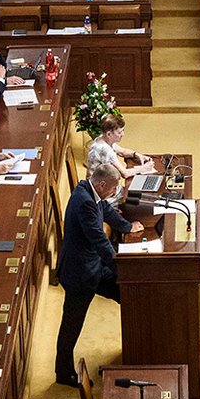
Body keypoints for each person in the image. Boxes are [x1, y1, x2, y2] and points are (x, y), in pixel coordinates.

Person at [55, 163, 143, 385]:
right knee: (71, 325)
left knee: (130, 295)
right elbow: (100, 240)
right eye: (113, 188)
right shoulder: (84, 202)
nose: (115, 192)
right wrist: (121, 267)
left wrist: (127, 227)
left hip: (93, 267)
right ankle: (63, 374)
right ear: (102, 184)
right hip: (79, 274)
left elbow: (108, 212)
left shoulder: (90, 190)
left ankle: (140, 352)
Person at [86, 114, 154, 178]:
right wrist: (144, 168)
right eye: (119, 132)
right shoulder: (105, 150)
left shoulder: (102, 138)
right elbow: (125, 173)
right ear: (109, 134)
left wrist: (136, 155)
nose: (123, 134)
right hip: (100, 188)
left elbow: (122, 151)